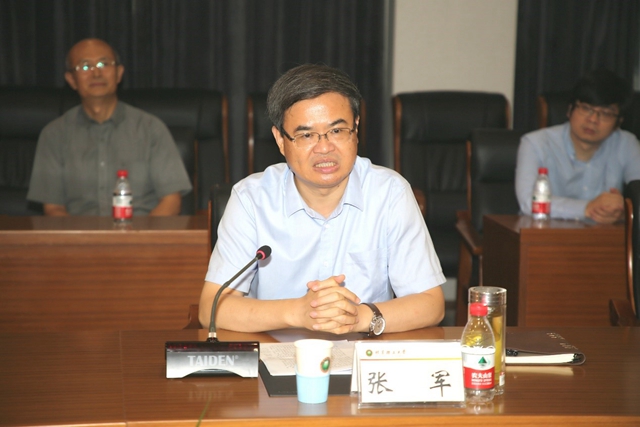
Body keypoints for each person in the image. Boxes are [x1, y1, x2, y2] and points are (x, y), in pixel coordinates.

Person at [199, 64, 445, 335]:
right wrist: (298, 312)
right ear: (280, 139)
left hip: (364, 354)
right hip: (277, 353)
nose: (325, 148)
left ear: (356, 128)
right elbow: (212, 308)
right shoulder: (251, 199)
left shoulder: (389, 193)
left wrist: (358, 317)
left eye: (337, 131)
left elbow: (431, 304)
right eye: (306, 135)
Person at [27, 38, 192, 216]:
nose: (96, 73)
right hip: (78, 231)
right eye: (85, 66)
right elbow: (53, 208)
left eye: (103, 64)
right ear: (71, 80)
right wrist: (81, 235)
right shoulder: (54, 135)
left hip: (142, 229)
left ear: (119, 73)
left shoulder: (151, 129)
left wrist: (139, 234)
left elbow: (171, 201)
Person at [516, 69, 640, 224]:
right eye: (586, 108)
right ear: (570, 110)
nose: (593, 119)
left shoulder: (627, 144)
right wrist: (587, 208)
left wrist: (624, 211)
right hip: (544, 235)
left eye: (606, 113)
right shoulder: (535, 144)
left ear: (618, 122)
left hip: (603, 236)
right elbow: (528, 202)